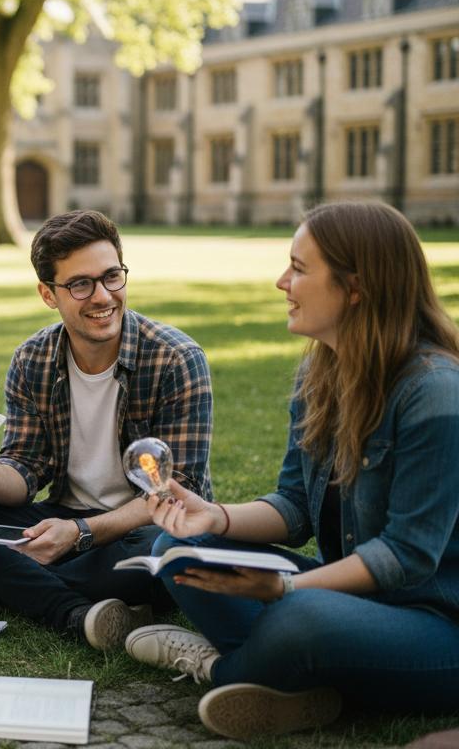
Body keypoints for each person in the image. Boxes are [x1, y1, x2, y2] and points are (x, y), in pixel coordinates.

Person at [124, 202, 459, 740]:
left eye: (299, 268)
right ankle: (299, 679)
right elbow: (295, 506)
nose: (282, 281)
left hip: (438, 623)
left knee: (299, 619)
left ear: (356, 287)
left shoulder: (434, 392)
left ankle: (222, 670)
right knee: (175, 553)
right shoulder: (319, 372)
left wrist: (288, 588)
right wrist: (215, 518)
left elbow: (406, 555)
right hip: (352, 600)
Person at [0, 209, 214, 650]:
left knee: (164, 552)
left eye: (112, 277)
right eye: (80, 284)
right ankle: (74, 613)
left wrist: (83, 536)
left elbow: (174, 490)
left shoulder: (176, 358)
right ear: (47, 293)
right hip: (61, 519)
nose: (102, 296)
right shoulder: (32, 359)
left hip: (145, 523)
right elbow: (25, 472)